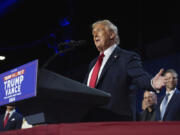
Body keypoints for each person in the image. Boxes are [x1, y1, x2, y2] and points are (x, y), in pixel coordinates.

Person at [83, 19, 166, 121]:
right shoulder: (93, 63)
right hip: (90, 121)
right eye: (93, 34)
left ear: (112, 34)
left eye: (99, 30)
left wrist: (152, 82)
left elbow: (140, 76)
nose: (95, 35)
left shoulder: (126, 58)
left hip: (115, 121)